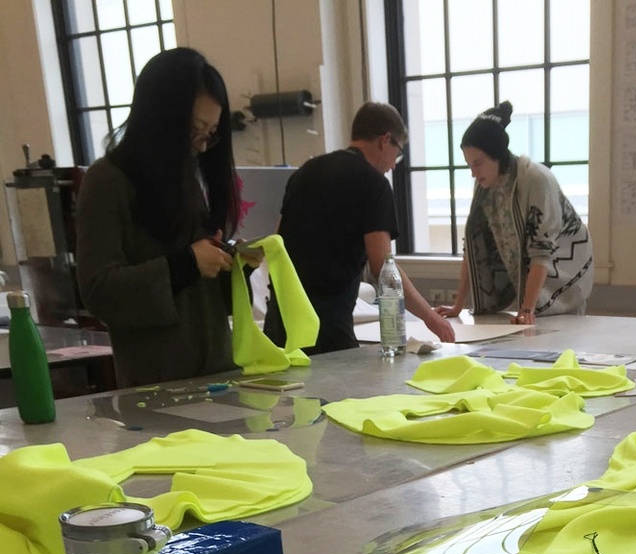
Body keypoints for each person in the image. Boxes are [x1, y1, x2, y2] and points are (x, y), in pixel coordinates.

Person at [75, 47, 254, 387]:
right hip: (156, 384)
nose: (202, 146)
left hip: (218, 377)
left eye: (211, 133)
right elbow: (99, 291)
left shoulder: (187, 179)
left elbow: (199, 295)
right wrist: (186, 263)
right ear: (160, 118)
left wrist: (232, 265)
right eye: (195, 129)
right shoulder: (107, 180)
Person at [263, 102, 456, 353]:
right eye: (397, 152)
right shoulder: (374, 184)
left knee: (286, 391)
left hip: (280, 317)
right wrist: (431, 317)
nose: (394, 164)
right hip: (325, 324)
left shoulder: (306, 171)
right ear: (385, 140)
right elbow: (383, 267)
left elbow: (277, 241)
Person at [437, 101, 594, 326]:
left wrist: (527, 309)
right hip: (533, 280)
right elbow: (472, 248)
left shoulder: (536, 179)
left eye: (478, 164)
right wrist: (458, 305)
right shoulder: (484, 185)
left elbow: (541, 252)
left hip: (563, 275)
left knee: (559, 341)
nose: (473, 173)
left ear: (497, 155)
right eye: (469, 166)